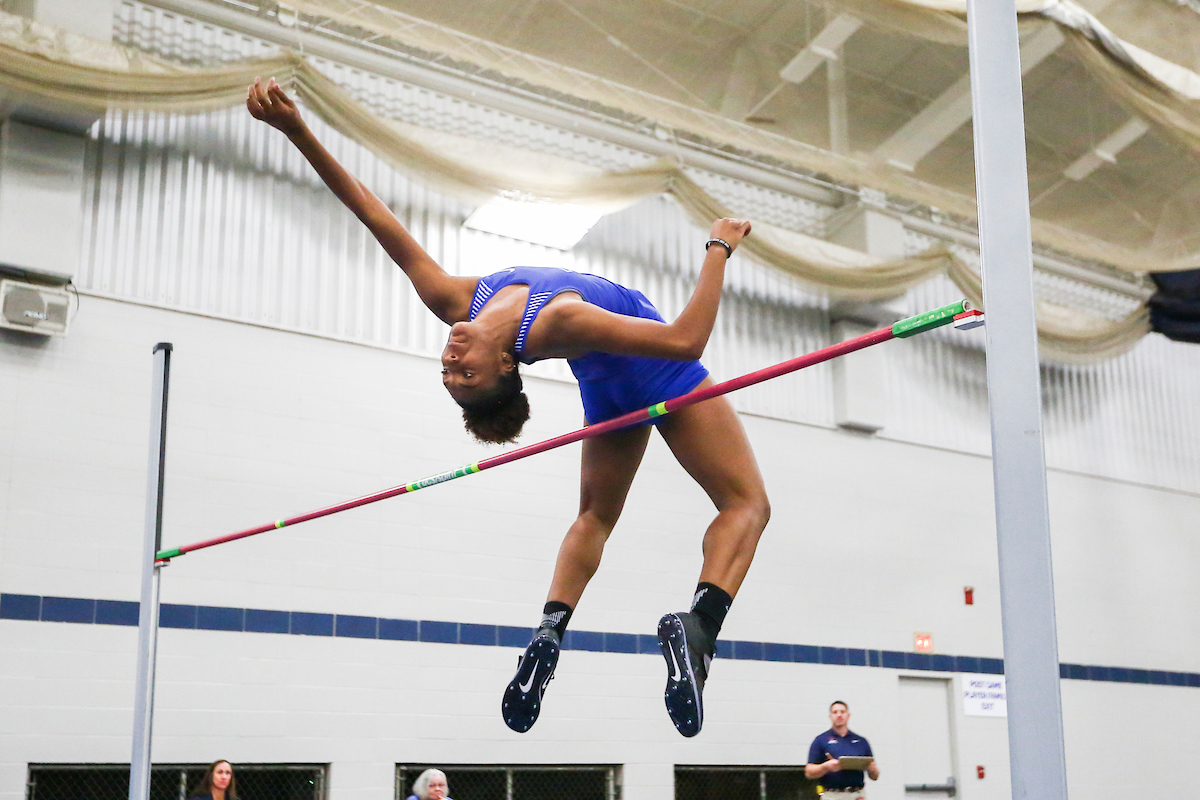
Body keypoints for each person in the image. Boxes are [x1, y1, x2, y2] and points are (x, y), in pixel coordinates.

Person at [247, 77, 770, 738]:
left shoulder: (453, 301)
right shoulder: (556, 322)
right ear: (504, 368)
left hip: (607, 389)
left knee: (594, 517)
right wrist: (718, 248)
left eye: (448, 371)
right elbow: (685, 339)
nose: (451, 357)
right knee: (748, 504)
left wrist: (298, 132)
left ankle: (547, 636)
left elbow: (376, 218)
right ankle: (699, 628)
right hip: (658, 371)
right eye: (464, 372)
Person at [806, 701, 880, 796]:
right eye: (835, 712)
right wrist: (825, 767)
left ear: (848, 715)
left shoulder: (861, 741)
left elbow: (874, 776)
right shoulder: (820, 740)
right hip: (832, 795)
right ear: (830, 716)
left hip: (856, 794)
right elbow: (809, 772)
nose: (839, 715)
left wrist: (872, 770)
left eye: (842, 712)